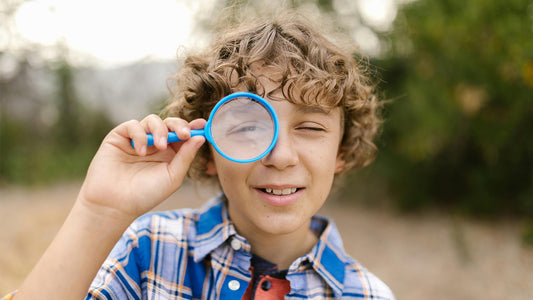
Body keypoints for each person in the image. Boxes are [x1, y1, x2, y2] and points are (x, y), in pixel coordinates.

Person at [3, 11, 395, 300]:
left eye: (310, 128)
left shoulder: (368, 295)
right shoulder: (149, 253)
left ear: (341, 152)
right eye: (246, 127)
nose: (280, 155)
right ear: (206, 150)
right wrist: (99, 210)